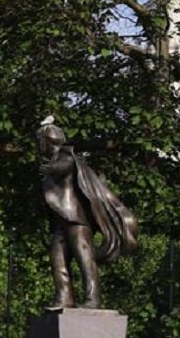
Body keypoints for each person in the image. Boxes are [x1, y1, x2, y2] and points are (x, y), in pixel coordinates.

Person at [38, 119, 138, 309]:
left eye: (40, 140)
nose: (39, 145)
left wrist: (51, 169)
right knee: (57, 259)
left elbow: (64, 167)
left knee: (85, 260)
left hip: (76, 220)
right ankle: (64, 297)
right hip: (62, 221)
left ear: (48, 140)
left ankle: (93, 298)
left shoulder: (66, 156)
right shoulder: (52, 160)